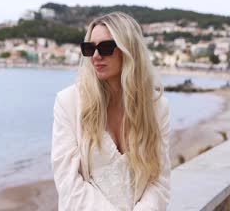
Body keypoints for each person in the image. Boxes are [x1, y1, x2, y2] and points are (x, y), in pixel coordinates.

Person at [51, 12, 171, 210]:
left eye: (106, 47)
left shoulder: (157, 108)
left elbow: (159, 180)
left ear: (128, 50)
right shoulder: (68, 103)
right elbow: (68, 184)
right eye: (89, 48)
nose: (96, 56)